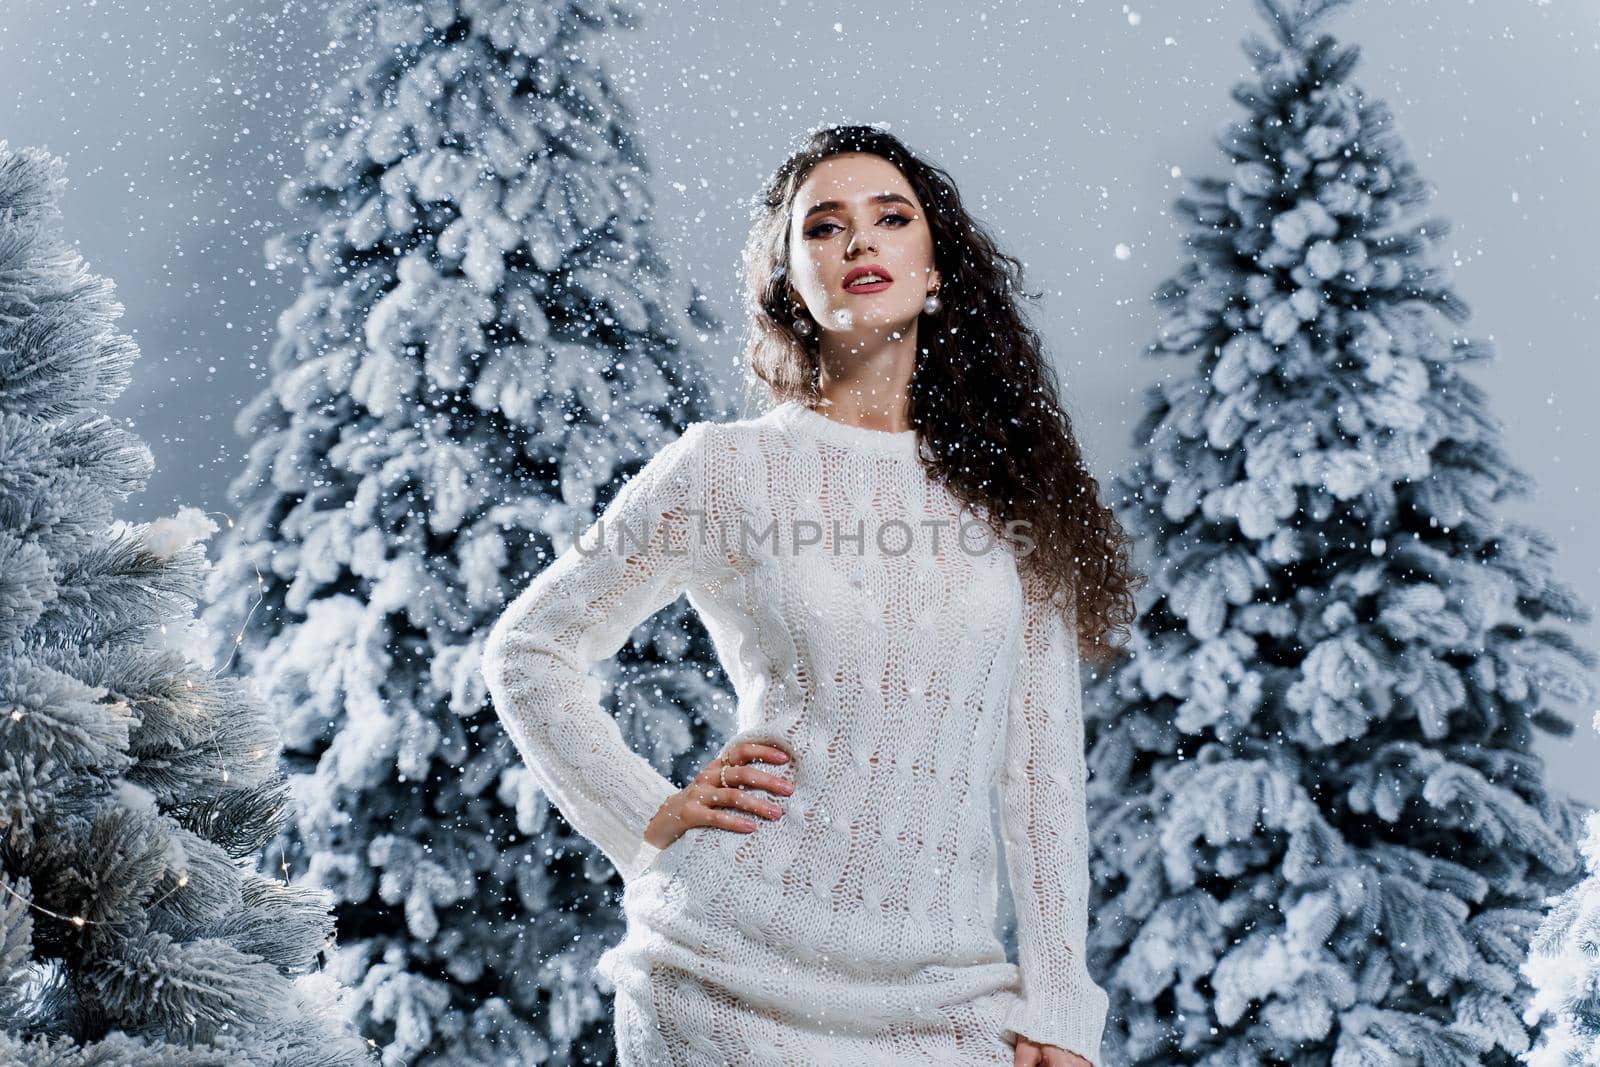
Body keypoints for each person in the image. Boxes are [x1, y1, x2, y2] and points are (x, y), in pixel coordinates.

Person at [480, 124, 1140, 1067]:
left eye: (891, 218)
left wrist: (1063, 1005)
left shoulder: (1012, 498)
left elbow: (1040, 778)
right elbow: (530, 649)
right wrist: (645, 813)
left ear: (936, 266)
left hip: (948, 997)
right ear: (790, 280)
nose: (860, 242)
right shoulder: (725, 469)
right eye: (824, 227)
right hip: (726, 974)